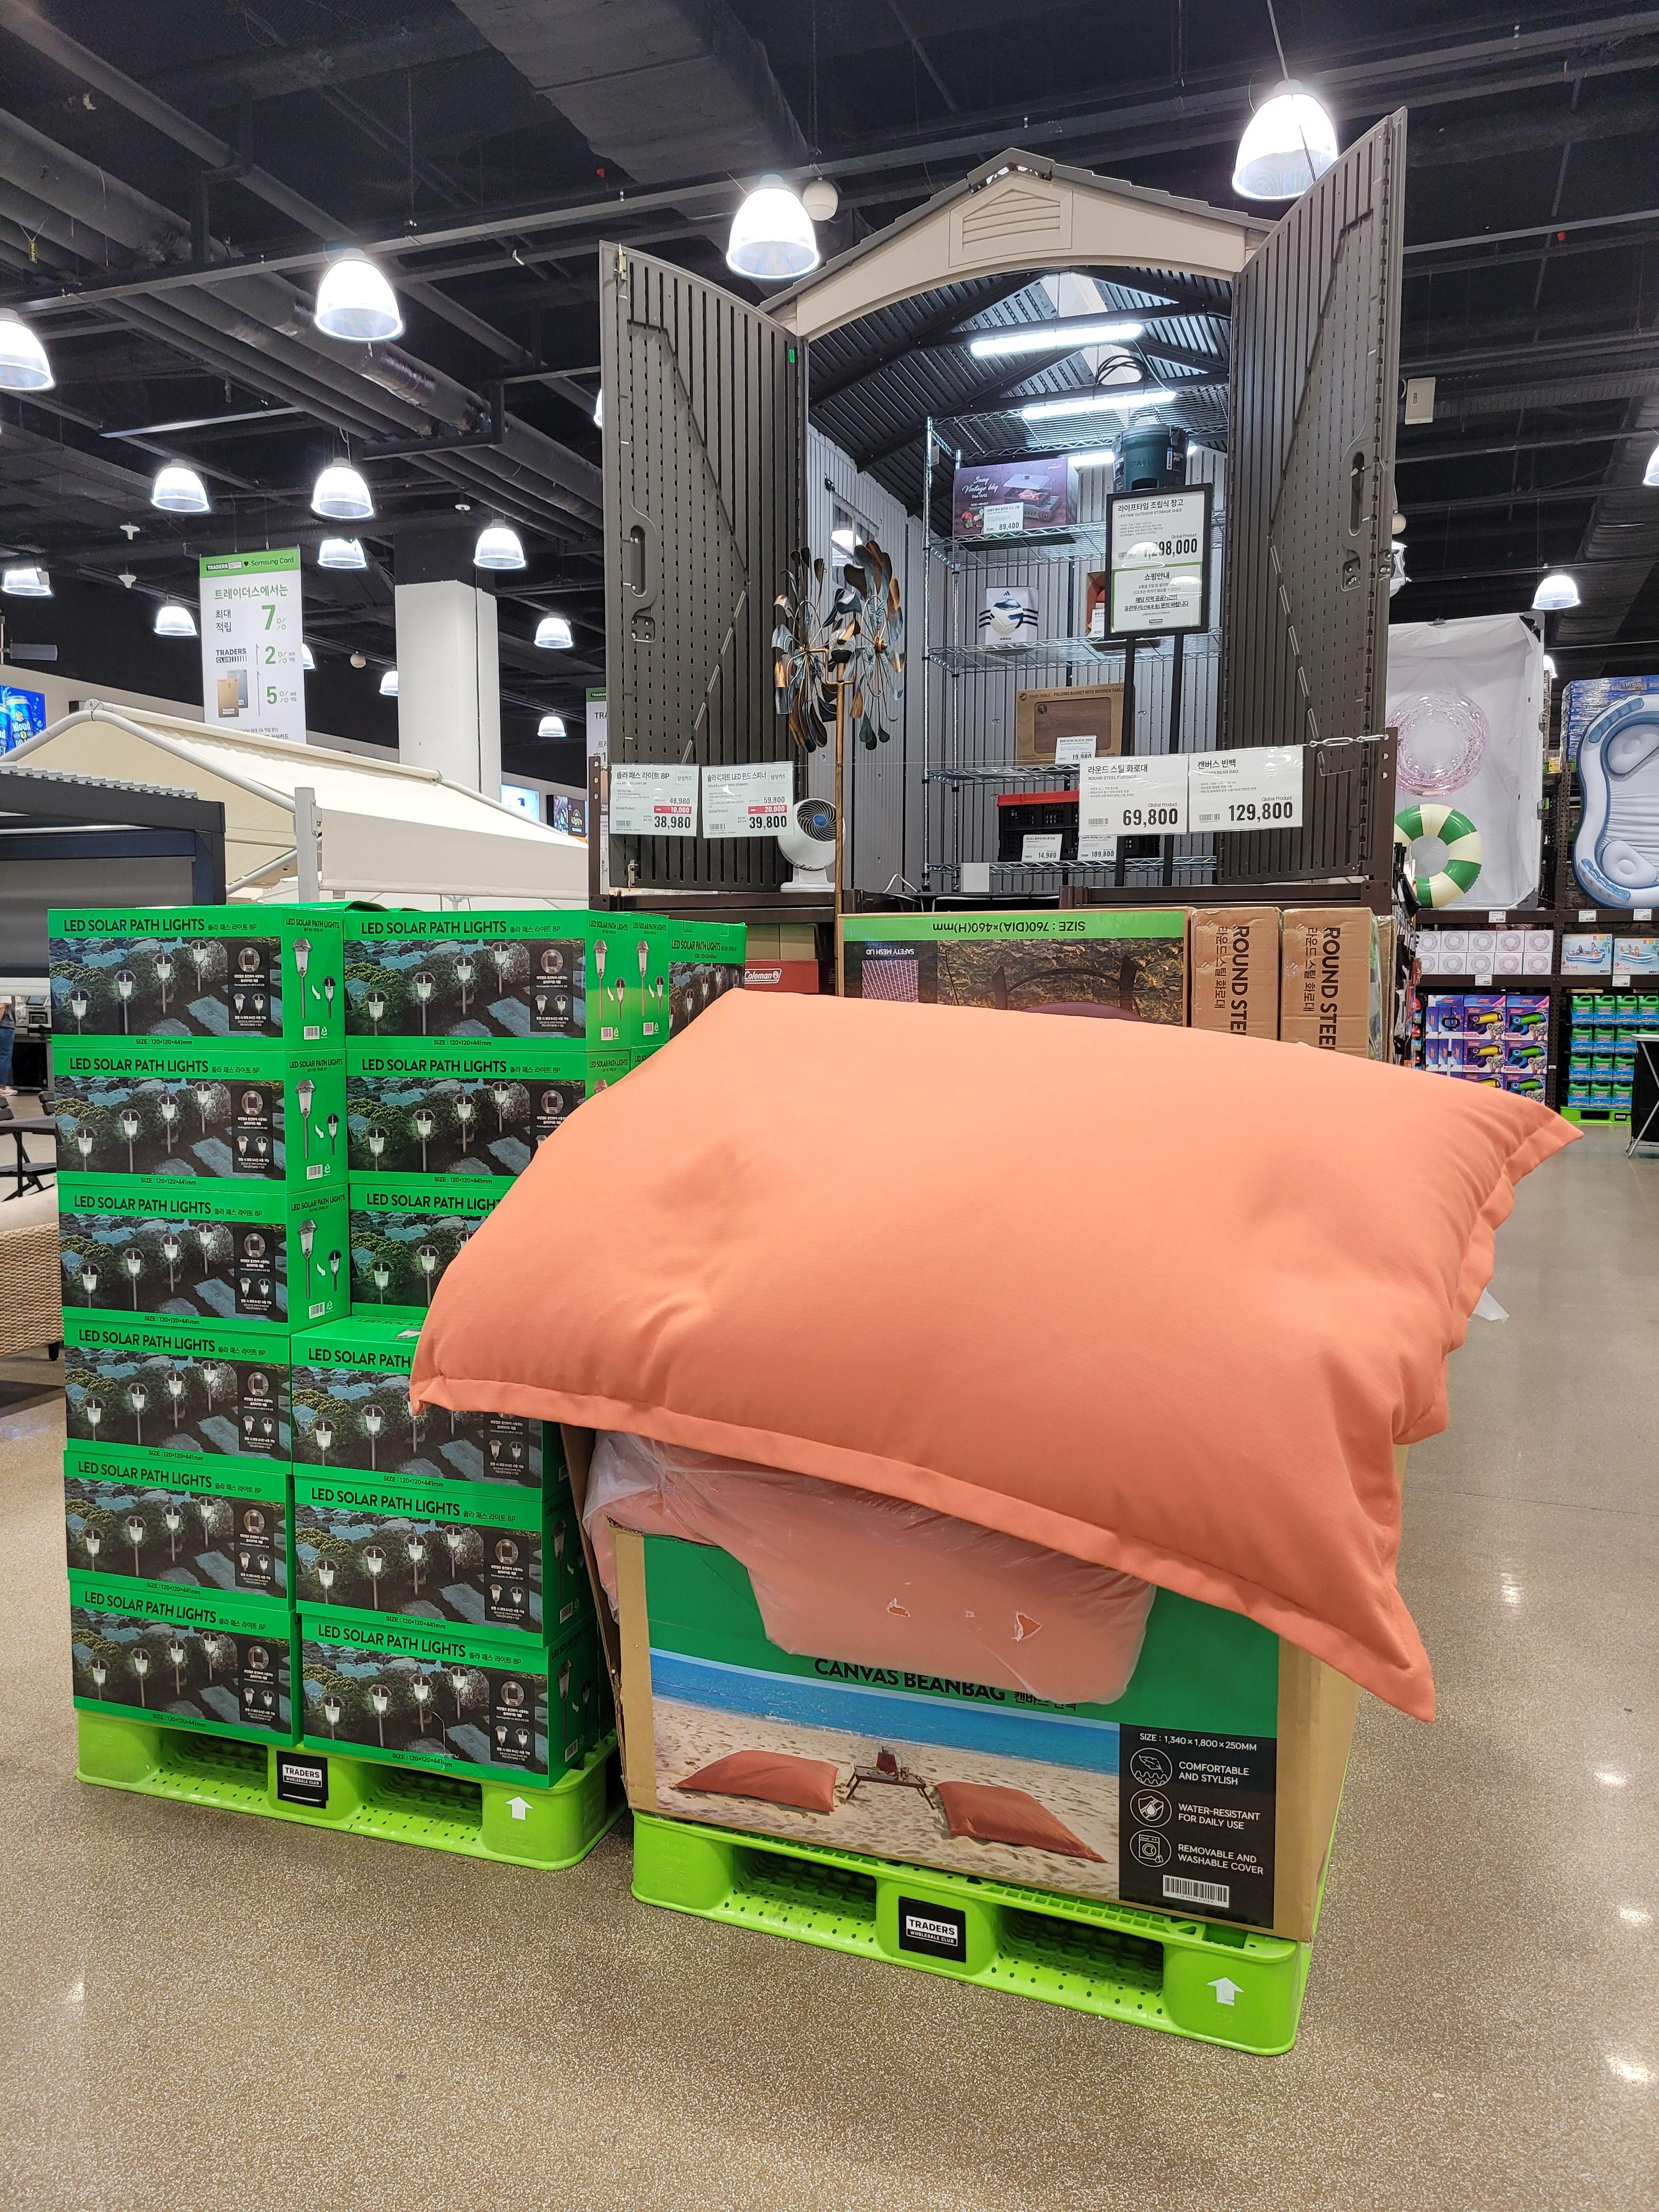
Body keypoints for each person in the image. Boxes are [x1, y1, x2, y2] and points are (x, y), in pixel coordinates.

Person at [0, 995, 15, 1096]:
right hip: (4, 1026)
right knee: (4, 1056)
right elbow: (1, 1006)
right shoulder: (6, 988)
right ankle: (1, 1087)